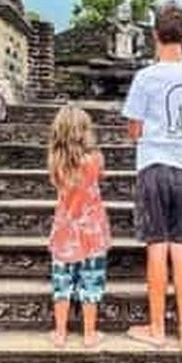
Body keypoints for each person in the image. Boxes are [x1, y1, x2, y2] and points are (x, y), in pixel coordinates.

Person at [122, 0, 182, 349]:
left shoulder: (145, 77)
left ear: (154, 35)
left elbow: (134, 130)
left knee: (156, 247)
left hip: (153, 167)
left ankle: (158, 328)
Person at [48, 105, 112, 348]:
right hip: (92, 232)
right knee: (91, 283)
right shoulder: (95, 159)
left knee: (62, 284)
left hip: (65, 232)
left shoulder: (57, 162)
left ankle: (61, 333)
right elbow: (99, 177)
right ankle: (89, 334)